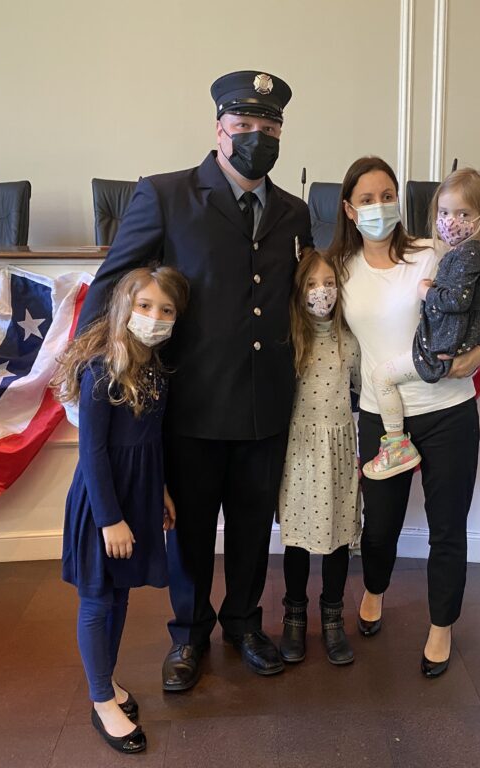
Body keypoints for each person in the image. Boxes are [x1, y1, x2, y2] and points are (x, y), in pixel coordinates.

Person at [76, 70, 312, 691]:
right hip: (193, 405)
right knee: (191, 530)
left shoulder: (293, 211)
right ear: (219, 129)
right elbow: (111, 286)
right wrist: (91, 367)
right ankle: (188, 636)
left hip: (266, 403)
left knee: (254, 525)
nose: (257, 136)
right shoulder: (167, 194)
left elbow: (300, 300)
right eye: (245, 126)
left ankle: (243, 624)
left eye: (269, 127)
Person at [329, 156, 480, 678]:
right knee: (379, 526)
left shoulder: (434, 252)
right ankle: (375, 589)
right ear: (349, 210)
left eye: (387, 195)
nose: (379, 206)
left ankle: (441, 626)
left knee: (448, 527)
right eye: (367, 198)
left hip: (448, 410)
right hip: (381, 417)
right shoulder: (338, 270)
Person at [55, 265, 190, 754]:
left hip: (140, 494)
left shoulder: (155, 368)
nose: (155, 317)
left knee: (121, 595)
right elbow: (92, 452)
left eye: (166, 310)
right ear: (123, 308)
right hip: (103, 504)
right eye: (145, 306)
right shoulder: (99, 369)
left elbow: (149, 443)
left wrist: (160, 493)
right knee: (97, 599)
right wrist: (110, 518)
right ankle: (99, 699)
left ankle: (106, 682)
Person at [363, 168, 480, 480]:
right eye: (444, 212)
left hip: (437, 361)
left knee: (381, 376)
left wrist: (427, 292)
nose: (451, 221)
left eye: (463, 213)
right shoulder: (461, 253)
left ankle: (396, 444)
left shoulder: (457, 255)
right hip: (436, 352)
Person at [276, 247, 360, 666]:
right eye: (312, 284)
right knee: (297, 539)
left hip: (340, 451)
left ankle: (332, 616)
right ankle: (294, 616)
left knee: (337, 539)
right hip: (301, 452)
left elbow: (364, 389)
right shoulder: (291, 337)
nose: (321, 291)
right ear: (299, 290)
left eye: (329, 283)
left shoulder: (350, 339)